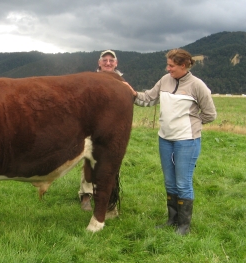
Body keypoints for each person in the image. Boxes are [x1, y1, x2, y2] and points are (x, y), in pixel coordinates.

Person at [124, 48, 216, 235]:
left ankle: (184, 225)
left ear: (183, 66)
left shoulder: (197, 86)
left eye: (172, 66)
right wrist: (131, 94)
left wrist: (191, 124)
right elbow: (148, 99)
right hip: (165, 139)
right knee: (170, 182)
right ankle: (172, 220)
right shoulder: (165, 81)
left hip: (186, 142)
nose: (168, 69)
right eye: (168, 64)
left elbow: (210, 114)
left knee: (182, 183)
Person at [79, 50, 123, 214]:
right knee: (89, 160)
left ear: (116, 63)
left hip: (113, 129)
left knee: (111, 162)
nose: (108, 62)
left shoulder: (121, 82)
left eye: (111, 60)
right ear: (99, 63)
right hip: (92, 127)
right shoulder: (91, 80)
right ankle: (85, 194)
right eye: (105, 60)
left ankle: (109, 196)